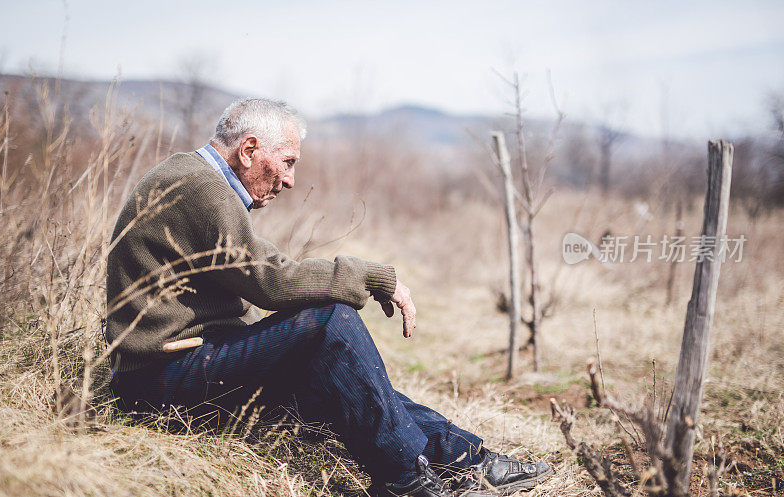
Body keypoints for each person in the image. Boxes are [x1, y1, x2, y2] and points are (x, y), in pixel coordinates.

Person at [106, 98, 552, 497]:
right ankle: (405, 480)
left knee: (355, 377)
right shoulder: (200, 187)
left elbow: (256, 278)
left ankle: (468, 463)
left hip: (192, 363)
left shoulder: (193, 178)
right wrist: (375, 277)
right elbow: (271, 282)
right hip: (160, 379)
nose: (291, 180)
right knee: (328, 319)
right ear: (248, 150)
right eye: (287, 162)